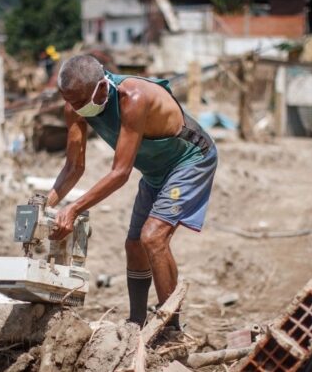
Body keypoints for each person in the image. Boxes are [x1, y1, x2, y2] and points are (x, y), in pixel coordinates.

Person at [47, 55, 218, 329]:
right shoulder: (75, 107)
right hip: (155, 171)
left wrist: (74, 208)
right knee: (134, 244)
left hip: (191, 159)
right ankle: (136, 324)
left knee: (153, 237)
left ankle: (170, 329)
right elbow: (74, 167)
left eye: (80, 101)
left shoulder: (133, 98)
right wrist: (45, 205)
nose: (75, 109)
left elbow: (120, 173)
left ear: (102, 87)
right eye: (69, 101)